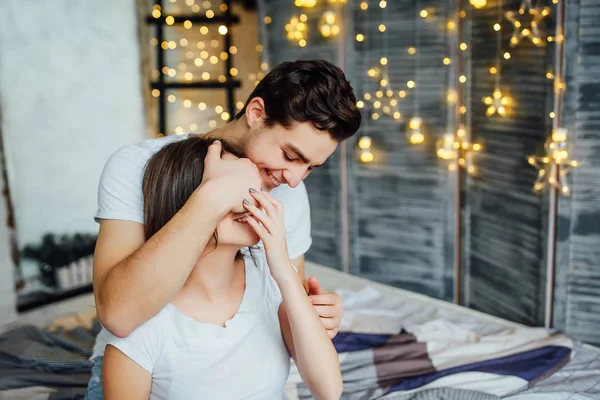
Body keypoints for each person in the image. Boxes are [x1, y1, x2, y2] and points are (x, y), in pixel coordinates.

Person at [86, 59, 361, 398]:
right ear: (256, 113)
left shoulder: (291, 190)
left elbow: (283, 304)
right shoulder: (141, 167)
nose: (293, 180)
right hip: (151, 369)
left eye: (310, 168)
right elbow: (120, 314)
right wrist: (213, 197)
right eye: (290, 155)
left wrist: (311, 310)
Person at [101, 136, 343, 399]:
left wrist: (284, 270)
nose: (250, 202)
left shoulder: (270, 285)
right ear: (188, 200)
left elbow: (328, 390)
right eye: (229, 189)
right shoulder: (142, 323)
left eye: (254, 188)